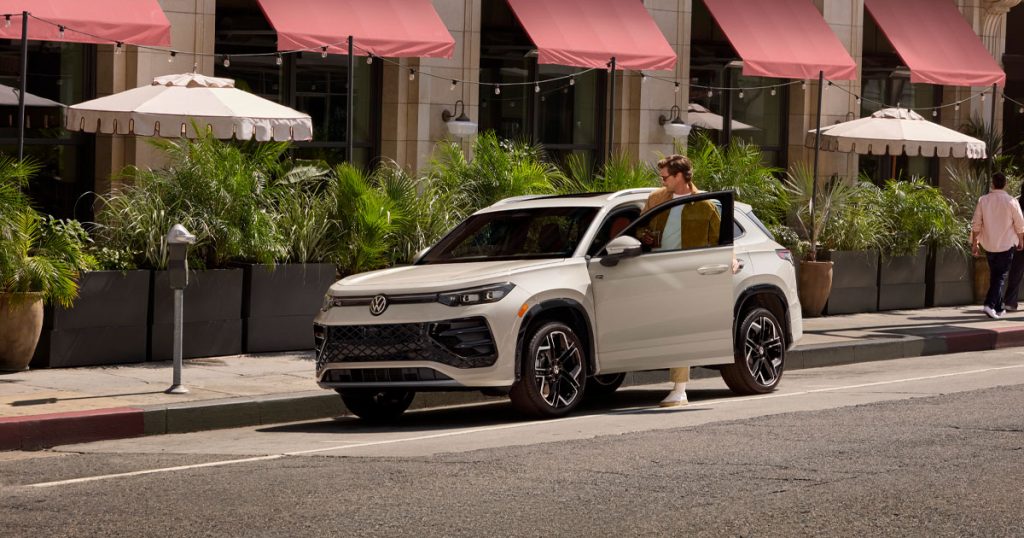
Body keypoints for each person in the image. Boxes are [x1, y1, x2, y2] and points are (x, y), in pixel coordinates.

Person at [640, 154, 720, 407]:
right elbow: (639, 226)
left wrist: (730, 260)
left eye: (665, 177)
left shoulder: (704, 205)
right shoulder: (656, 199)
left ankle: (680, 389)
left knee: (679, 330)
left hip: (687, 275)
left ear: (679, 176)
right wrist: (644, 236)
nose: (662, 181)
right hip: (656, 272)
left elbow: (720, 240)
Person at [971, 172, 1024, 319]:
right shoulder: (1012, 201)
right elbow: (1020, 224)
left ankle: (999, 308)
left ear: (992, 184)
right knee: (999, 276)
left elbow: (976, 224)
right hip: (1006, 245)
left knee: (995, 275)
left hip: (989, 245)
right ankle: (989, 304)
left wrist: (975, 243)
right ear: (1005, 184)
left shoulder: (983, 200)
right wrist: (1021, 240)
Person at [1003, 186, 1024, 311]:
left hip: (1018, 241)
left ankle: (1010, 302)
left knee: (1016, 272)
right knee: (1016, 272)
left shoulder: (1016, 202)